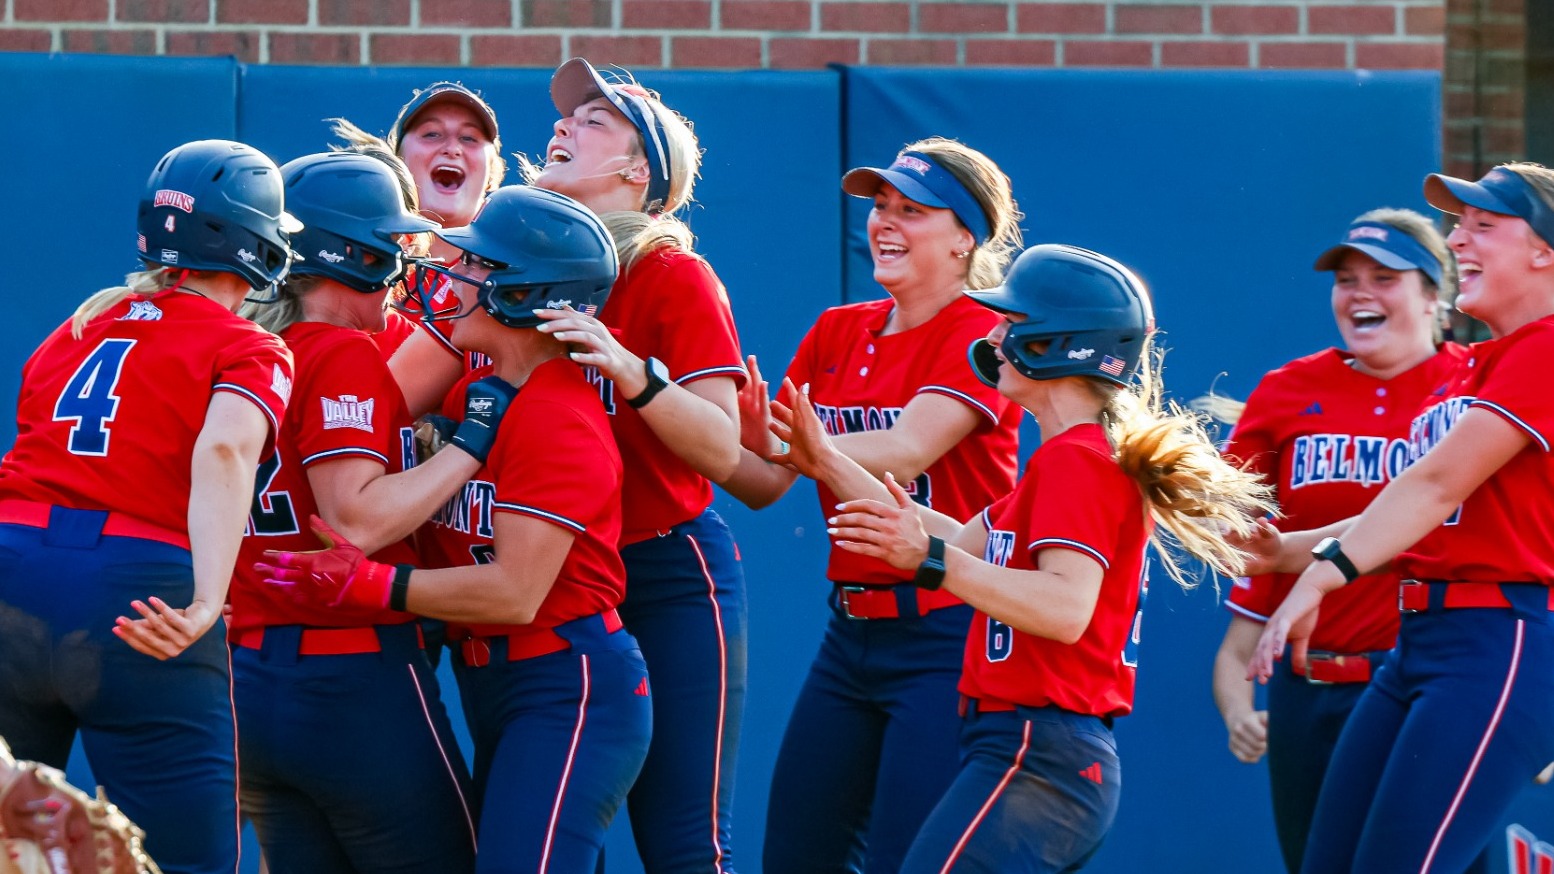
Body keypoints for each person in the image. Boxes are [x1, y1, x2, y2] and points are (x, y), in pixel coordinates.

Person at [777, 243, 1272, 873]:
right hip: (1032, 750)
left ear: (1056, 343)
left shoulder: (1078, 461)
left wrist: (929, 561)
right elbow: (951, 536)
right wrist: (823, 461)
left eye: (1012, 322)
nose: (995, 334)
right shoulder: (1064, 460)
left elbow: (1064, 608)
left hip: (1041, 749)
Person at [258, 185, 650, 874]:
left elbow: (515, 593)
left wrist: (374, 584)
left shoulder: (556, 413)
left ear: (524, 294)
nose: (450, 274)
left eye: (476, 267)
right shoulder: (474, 396)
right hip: (498, 680)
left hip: (568, 679)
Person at [0, 139, 298, 874]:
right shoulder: (249, 343)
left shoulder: (75, 328)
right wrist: (205, 602)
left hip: (12, 567)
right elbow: (224, 452)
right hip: (134, 587)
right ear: (254, 242)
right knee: (185, 861)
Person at [1246, 163, 1554, 873]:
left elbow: (1437, 484)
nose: (1458, 238)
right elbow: (1419, 520)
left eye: (1483, 225)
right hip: (1420, 643)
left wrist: (1319, 578)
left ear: (1544, 250)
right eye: (1458, 225)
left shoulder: (1544, 349)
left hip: (1497, 645)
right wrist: (1285, 552)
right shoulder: (1479, 364)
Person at [732, 138, 1025, 874]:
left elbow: (906, 448)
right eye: (880, 206)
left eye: (913, 210)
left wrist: (795, 443)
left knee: (908, 858)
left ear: (966, 238)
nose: (885, 221)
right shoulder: (839, 329)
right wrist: (668, 407)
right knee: (796, 854)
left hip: (948, 625)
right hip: (851, 634)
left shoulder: (982, 333)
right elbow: (766, 481)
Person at [229, 151, 505, 873]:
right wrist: (471, 442)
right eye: (389, 244)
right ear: (351, 253)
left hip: (251, 678)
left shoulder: (251, 349)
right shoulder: (339, 353)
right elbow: (351, 522)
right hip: (350, 679)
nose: (401, 260)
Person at [523, 58, 749, 873]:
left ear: (637, 169)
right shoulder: (520, 260)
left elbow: (724, 447)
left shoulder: (668, 271)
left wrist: (631, 369)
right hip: (544, 574)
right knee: (535, 839)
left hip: (662, 568)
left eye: (593, 120)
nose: (562, 125)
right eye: (565, 116)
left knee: (683, 845)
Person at [1208, 210, 1470, 873]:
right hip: (1313, 686)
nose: (1360, 293)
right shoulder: (1288, 391)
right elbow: (1245, 550)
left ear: (1434, 296)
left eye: (1385, 277)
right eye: (1347, 278)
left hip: (1436, 680)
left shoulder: (1475, 385)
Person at [358, 81, 506, 380]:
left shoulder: (509, 278)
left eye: (469, 138)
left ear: (492, 173)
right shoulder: (358, 262)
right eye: (432, 134)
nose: (452, 148)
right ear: (398, 161)